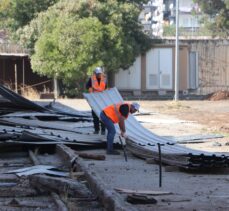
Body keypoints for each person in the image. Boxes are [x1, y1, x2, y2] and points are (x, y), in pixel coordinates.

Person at [86, 67, 107, 135]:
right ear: (94, 73)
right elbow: (87, 86)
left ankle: (103, 130)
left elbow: (105, 88)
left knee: (103, 115)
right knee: (95, 116)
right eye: (97, 74)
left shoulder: (104, 79)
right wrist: (91, 90)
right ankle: (96, 130)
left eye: (99, 73)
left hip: (102, 100)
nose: (98, 75)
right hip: (94, 100)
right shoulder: (91, 79)